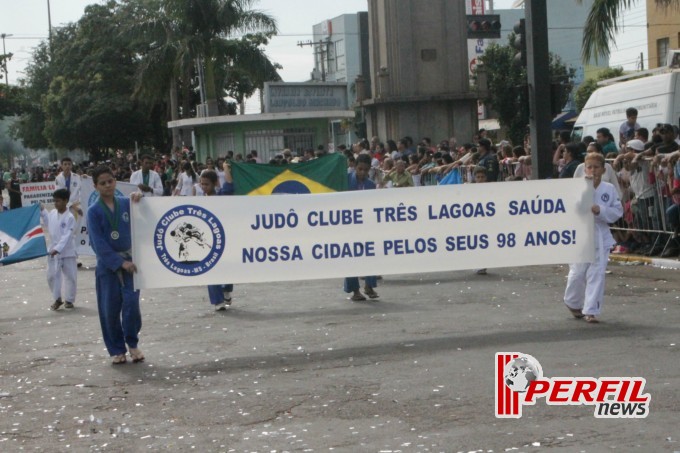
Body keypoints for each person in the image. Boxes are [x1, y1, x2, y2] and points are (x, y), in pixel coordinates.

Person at [87, 166, 144, 365]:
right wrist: (119, 262)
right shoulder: (93, 212)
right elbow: (97, 243)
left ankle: (133, 343)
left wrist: (140, 197)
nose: (107, 186)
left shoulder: (126, 203)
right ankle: (116, 349)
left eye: (110, 181)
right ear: (95, 187)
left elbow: (145, 214)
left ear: (115, 181)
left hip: (131, 263)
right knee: (109, 309)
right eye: (102, 183)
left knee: (131, 305)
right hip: (108, 266)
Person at [563, 153, 623, 323]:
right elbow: (568, 209)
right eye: (589, 167)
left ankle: (591, 310)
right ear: (584, 169)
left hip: (600, 236)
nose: (593, 170)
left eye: (596, 167)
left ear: (603, 169)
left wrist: (601, 210)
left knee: (596, 274)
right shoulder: (576, 187)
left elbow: (617, 212)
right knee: (577, 273)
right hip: (579, 236)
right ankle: (573, 302)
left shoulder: (608, 189)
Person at [345, 154, 379, 301]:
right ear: (354, 167)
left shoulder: (371, 185)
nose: (363, 172)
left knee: (370, 254)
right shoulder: (345, 180)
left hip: (366, 225)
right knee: (350, 257)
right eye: (360, 169)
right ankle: (355, 291)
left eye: (366, 170)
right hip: (348, 224)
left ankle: (369, 286)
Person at [200, 169, 234, 310]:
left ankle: (226, 290)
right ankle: (218, 301)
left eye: (207, 184)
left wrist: (226, 168)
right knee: (210, 269)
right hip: (208, 240)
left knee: (227, 266)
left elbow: (230, 185)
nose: (204, 187)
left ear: (215, 183)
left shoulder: (221, 195)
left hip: (224, 238)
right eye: (202, 184)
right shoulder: (200, 201)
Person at [41, 189, 77, 310]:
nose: (56, 203)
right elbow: (47, 222)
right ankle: (57, 298)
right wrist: (42, 210)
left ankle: (69, 300)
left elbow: (67, 235)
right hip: (53, 250)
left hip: (67, 250)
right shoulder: (52, 213)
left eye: (58, 201)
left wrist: (58, 248)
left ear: (66, 201)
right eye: (54, 201)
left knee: (70, 276)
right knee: (51, 276)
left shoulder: (70, 217)